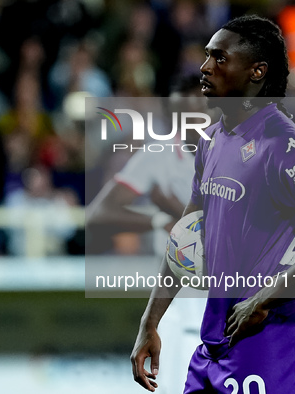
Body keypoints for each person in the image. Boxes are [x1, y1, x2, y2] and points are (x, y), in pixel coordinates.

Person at [130, 15, 295, 393]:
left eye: (219, 58)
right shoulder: (212, 139)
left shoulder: (284, 145)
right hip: (219, 334)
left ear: (257, 72)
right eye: (206, 56)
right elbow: (186, 238)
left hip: (273, 335)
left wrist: (263, 299)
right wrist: (150, 321)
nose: (204, 67)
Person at [87, 78, 207, 394]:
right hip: (175, 305)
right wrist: (157, 219)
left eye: (200, 107)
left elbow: (219, 225)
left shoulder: (239, 154)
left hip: (229, 300)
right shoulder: (160, 155)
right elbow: (98, 214)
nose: (193, 117)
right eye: (183, 111)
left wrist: (174, 211)